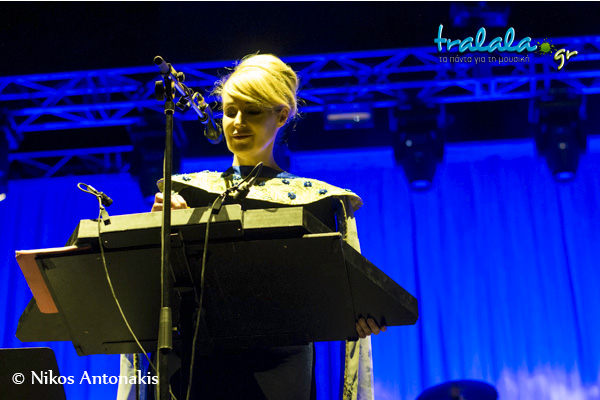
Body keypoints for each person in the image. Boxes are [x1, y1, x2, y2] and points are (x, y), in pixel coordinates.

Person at [118, 54, 385, 400]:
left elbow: (344, 295)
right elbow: (149, 292)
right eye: (230, 111)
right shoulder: (184, 193)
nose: (237, 122)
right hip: (195, 361)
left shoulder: (319, 201)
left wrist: (357, 316)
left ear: (282, 116)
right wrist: (161, 231)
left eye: (253, 111)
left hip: (280, 365)